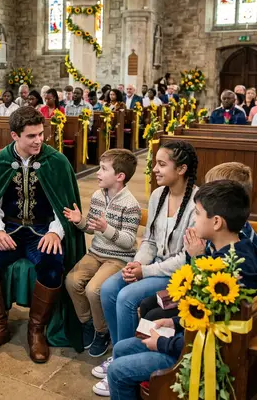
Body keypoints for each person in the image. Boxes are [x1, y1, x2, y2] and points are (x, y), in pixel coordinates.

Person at [106, 180, 257, 400]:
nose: (194, 220)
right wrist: (173, 322)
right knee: (121, 348)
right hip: (190, 338)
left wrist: (162, 342)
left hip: (199, 356)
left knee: (117, 371)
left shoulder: (229, 272)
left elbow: (212, 338)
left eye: (197, 213)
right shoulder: (236, 249)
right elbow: (201, 316)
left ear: (216, 222)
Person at [0, 106, 86, 363]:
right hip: (8, 229)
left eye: (41, 134)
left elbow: (64, 208)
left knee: (53, 263)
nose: (39, 140)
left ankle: (36, 330)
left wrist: (55, 232)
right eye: (31, 136)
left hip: (42, 231)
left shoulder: (57, 162)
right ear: (15, 136)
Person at [93, 141, 198, 396]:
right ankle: (120, 350)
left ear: (182, 168)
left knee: (128, 296)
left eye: (162, 164)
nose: (155, 170)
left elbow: (186, 258)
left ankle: (124, 363)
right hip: (151, 265)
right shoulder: (157, 195)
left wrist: (145, 271)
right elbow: (149, 241)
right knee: (108, 289)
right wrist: (137, 263)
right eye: (155, 164)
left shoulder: (197, 203)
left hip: (176, 274)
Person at [139, 161, 257, 322]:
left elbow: (214, 298)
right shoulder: (216, 233)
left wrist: (197, 256)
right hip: (199, 288)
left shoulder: (238, 248)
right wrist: (192, 253)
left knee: (154, 315)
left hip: (212, 309)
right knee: (148, 305)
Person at [64, 150, 141, 357]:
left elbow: (127, 242)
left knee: (94, 289)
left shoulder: (131, 205)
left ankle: (102, 331)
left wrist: (107, 228)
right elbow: (91, 228)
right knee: (72, 280)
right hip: (96, 252)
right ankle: (88, 322)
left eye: (103, 169)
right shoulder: (98, 196)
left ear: (120, 176)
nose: (97, 173)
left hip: (118, 258)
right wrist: (80, 220)